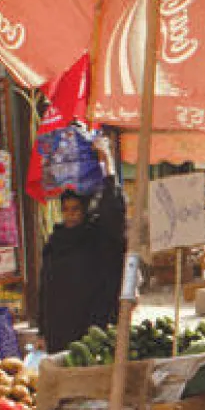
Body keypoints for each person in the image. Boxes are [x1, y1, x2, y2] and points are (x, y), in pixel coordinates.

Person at [38, 142, 125, 353]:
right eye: (66, 209)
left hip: (93, 329)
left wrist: (108, 165)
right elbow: (45, 290)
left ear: (84, 209)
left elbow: (113, 210)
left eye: (75, 209)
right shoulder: (55, 242)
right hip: (59, 333)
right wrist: (42, 331)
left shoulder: (97, 236)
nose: (70, 215)